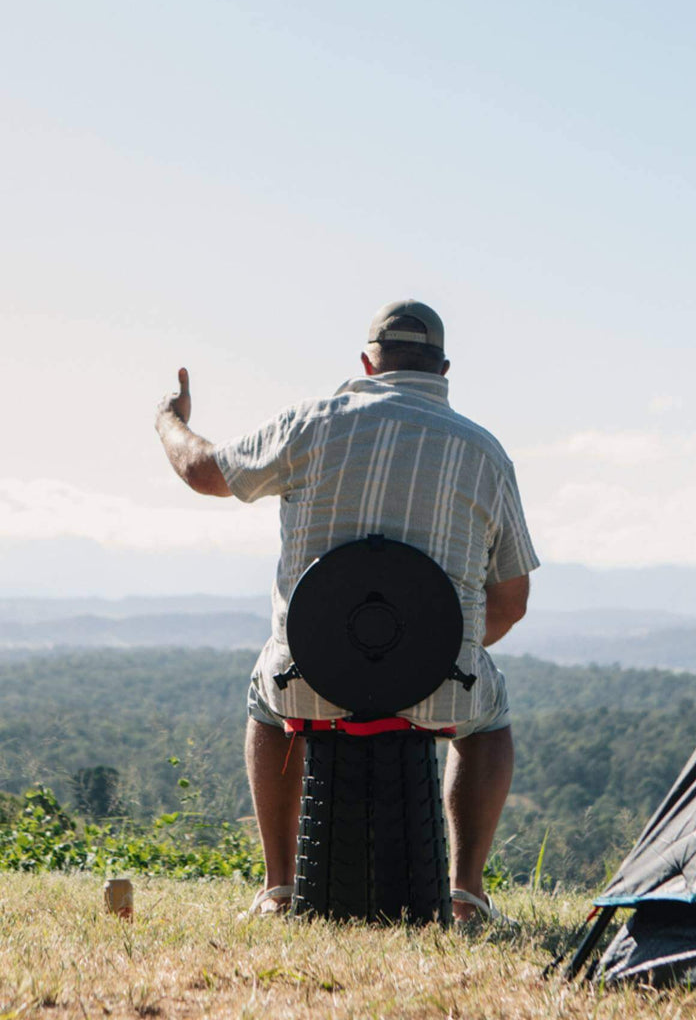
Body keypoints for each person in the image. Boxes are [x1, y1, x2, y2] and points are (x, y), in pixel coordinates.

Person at [153, 300, 538, 920]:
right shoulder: (485, 453)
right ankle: (466, 895)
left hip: (307, 682)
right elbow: (512, 602)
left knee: (264, 699)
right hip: (441, 688)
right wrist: (434, 651)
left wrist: (168, 420)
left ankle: (279, 889)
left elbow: (202, 471)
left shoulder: (310, 423)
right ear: (444, 369)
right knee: (488, 723)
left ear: (366, 362)